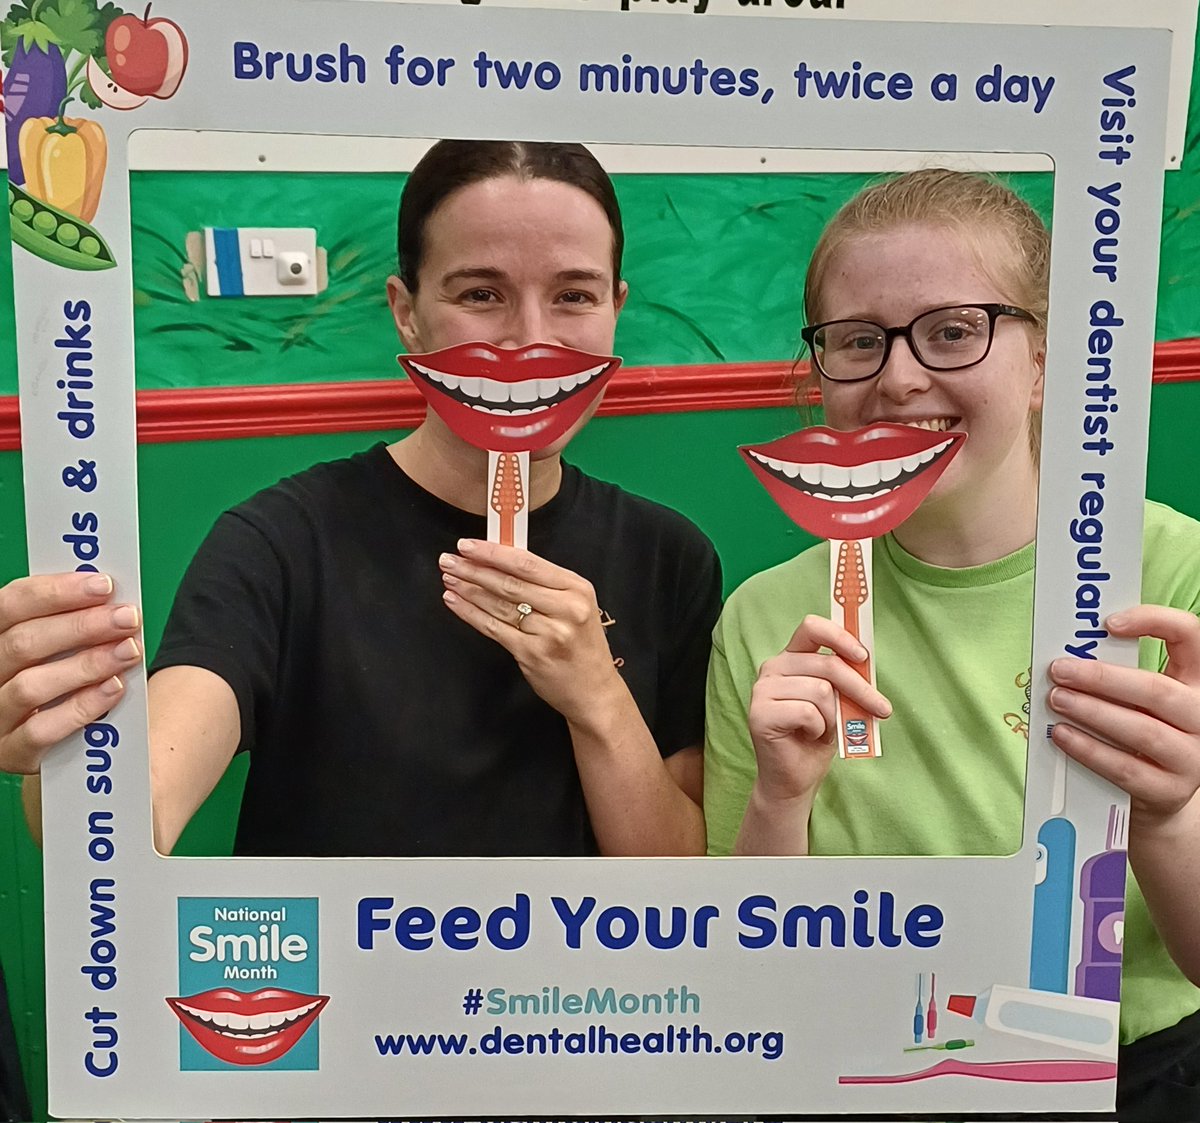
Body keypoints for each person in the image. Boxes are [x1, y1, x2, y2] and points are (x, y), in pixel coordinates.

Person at [0, 139, 721, 858]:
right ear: (406, 311)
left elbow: (682, 882)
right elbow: (141, 796)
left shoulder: (671, 558)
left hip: (577, 973)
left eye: (573, 296)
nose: (529, 341)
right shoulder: (280, 544)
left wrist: (597, 695)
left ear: (615, 308)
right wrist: (71, 750)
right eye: (480, 294)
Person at [703, 169, 1200, 1119]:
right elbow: (748, 962)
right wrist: (781, 797)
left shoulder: (1172, 587)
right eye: (857, 340)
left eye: (954, 330)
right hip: (867, 1072)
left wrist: (1174, 815)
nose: (899, 376)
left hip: (1141, 1068)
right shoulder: (768, 620)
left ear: (1045, 356)